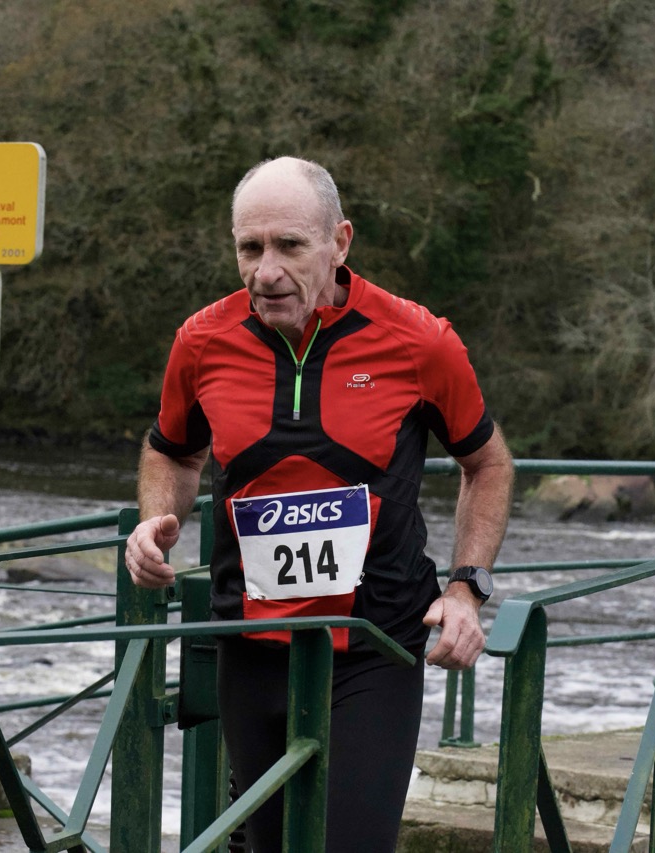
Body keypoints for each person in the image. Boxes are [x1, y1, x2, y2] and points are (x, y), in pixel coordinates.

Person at [123, 156, 515, 852]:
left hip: (373, 643)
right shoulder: (202, 341)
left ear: (340, 242)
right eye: (250, 248)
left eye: (289, 246)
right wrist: (157, 519)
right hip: (249, 644)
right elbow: (172, 451)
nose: (266, 271)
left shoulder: (419, 341)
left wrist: (465, 588)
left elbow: (487, 464)